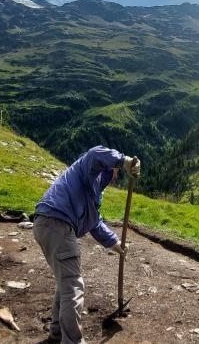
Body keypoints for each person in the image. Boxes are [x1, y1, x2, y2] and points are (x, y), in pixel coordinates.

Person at [33, 145, 141, 344]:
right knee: (73, 286)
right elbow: (95, 154)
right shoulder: (89, 167)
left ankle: (56, 335)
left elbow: (94, 222)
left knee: (65, 284)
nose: (116, 177)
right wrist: (124, 160)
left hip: (46, 223)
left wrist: (115, 243)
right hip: (58, 224)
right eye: (116, 171)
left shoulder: (92, 189)